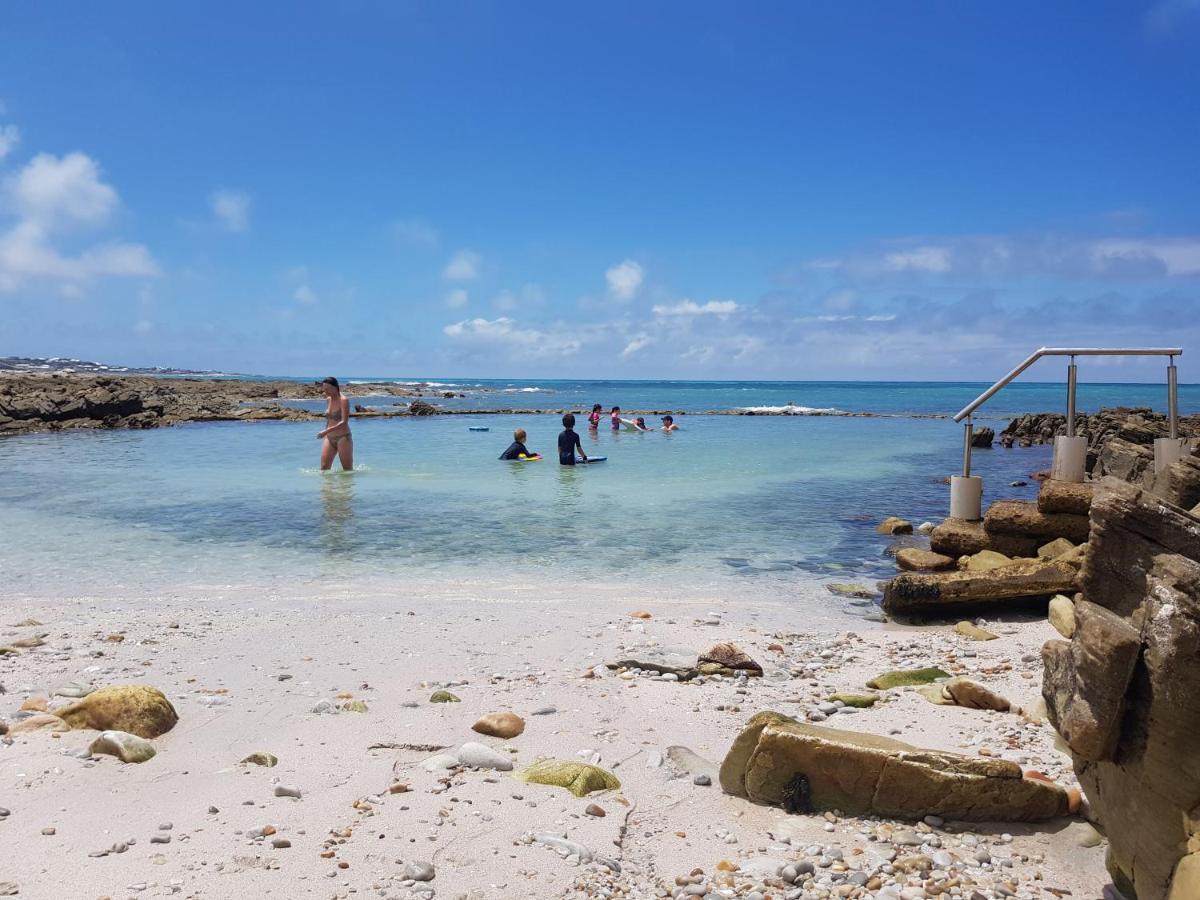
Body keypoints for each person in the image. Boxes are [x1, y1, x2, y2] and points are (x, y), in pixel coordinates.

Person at [316, 376, 353, 471]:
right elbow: (329, 419)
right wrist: (326, 434)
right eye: (324, 389)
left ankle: (346, 486)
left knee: (347, 470)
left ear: (336, 387)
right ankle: (326, 486)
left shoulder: (344, 400)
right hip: (329, 437)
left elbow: (344, 422)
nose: (326, 392)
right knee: (324, 468)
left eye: (328, 389)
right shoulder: (328, 399)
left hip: (343, 437)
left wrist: (325, 431)